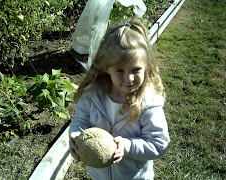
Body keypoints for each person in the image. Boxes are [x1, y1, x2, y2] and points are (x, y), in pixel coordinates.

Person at [69, 18, 170, 180]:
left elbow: (159, 144)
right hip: (99, 175)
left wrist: (127, 146)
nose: (129, 78)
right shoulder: (92, 94)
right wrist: (75, 135)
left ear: (147, 67)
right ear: (107, 68)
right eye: (120, 70)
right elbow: (80, 119)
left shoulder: (149, 104)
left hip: (134, 177)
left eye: (136, 70)